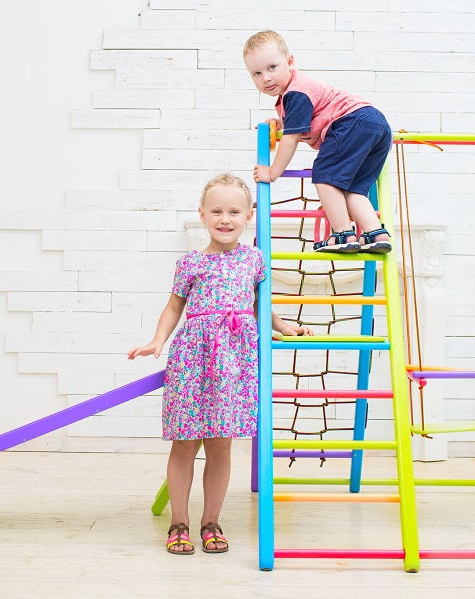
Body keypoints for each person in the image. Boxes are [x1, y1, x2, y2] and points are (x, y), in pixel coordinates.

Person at [128, 173, 312, 555]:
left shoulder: (255, 260)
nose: (225, 219)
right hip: (193, 358)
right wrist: (158, 341)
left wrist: (283, 325)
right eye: (216, 211)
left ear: (248, 216)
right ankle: (179, 523)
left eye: (233, 211)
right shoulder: (191, 262)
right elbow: (175, 305)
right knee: (184, 442)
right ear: (202, 215)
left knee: (220, 444)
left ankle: (211, 521)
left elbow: (262, 304)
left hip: (235, 360)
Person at [243, 30, 393, 254]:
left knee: (325, 174)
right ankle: (375, 234)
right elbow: (305, 120)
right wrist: (281, 123)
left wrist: (272, 173)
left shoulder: (296, 93)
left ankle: (343, 233)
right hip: (376, 125)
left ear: (290, 62)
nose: (266, 77)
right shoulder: (296, 94)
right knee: (354, 189)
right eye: (256, 73)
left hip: (352, 122)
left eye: (272, 67)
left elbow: (292, 138)